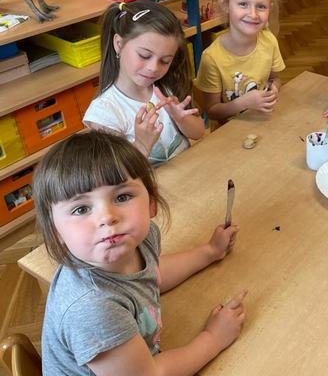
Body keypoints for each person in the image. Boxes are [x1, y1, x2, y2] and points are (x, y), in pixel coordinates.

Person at [36, 131, 247, 375]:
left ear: (151, 203)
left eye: (122, 196)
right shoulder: (92, 309)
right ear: (55, 232)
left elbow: (153, 274)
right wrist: (213, 338)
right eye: (81, 209)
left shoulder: (141, 239)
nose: (107, 217)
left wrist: (209, 252)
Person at [83, 0, 205, 166]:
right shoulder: (104, 112)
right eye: (144, 55)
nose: (153, 68)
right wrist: (142, 144)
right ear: (118, 44)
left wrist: (181, 119)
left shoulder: (165, 88)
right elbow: (115, 173)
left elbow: (198, 133)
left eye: (165, 61)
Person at [194, 0, 285, 123]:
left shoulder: (269, 41)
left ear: (269, 9)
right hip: (229, 132)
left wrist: (274, 88)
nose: (253, 14)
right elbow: (212, 111)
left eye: (261, 6)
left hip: (261, 122)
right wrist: (243, 103)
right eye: (243, 4)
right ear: (225, 4)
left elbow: (275, 79)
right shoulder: (212, 58)